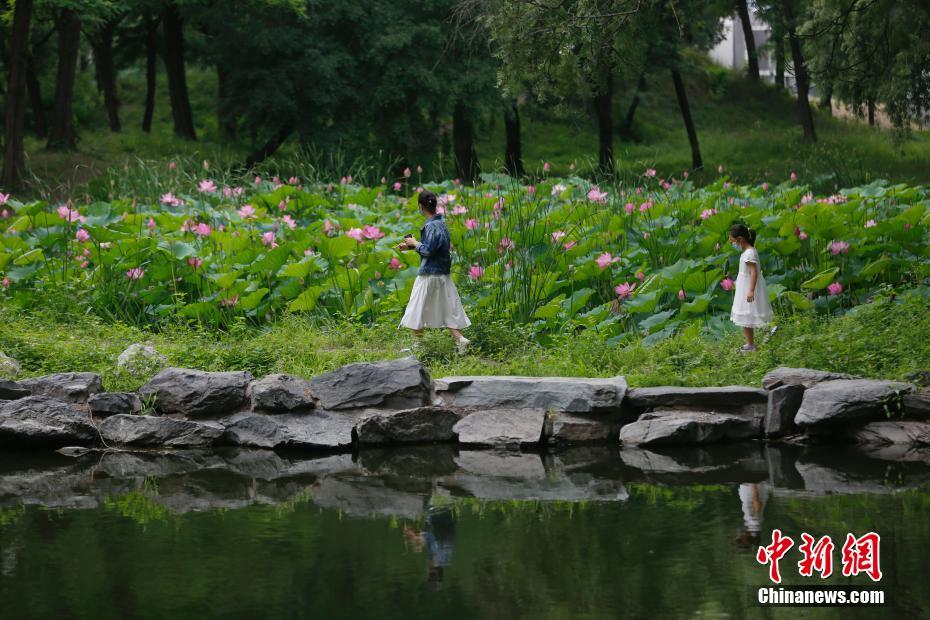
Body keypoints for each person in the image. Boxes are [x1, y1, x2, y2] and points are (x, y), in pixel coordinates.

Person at [398, 190, 471, 354]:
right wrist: (411, 246)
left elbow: (429, 250)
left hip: (429, 275)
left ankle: (418, 345)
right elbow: (435, 248)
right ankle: (460, 340)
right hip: (443, 275)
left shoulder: (430, 226)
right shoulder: (441, 224)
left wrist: (414, 243)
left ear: (420, 206)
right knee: (447, 310)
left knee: (416, 308)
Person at [728, 223, 773, 352]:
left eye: (733, 241)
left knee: (754, 312)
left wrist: (751, 290)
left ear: (740, 239)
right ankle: (750, 344)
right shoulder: (749, 251)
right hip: (745, 285)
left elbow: (754, 272)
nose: (733, 244)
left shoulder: (749, 253)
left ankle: (768, 330)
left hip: (749, 287)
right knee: (746, 316)